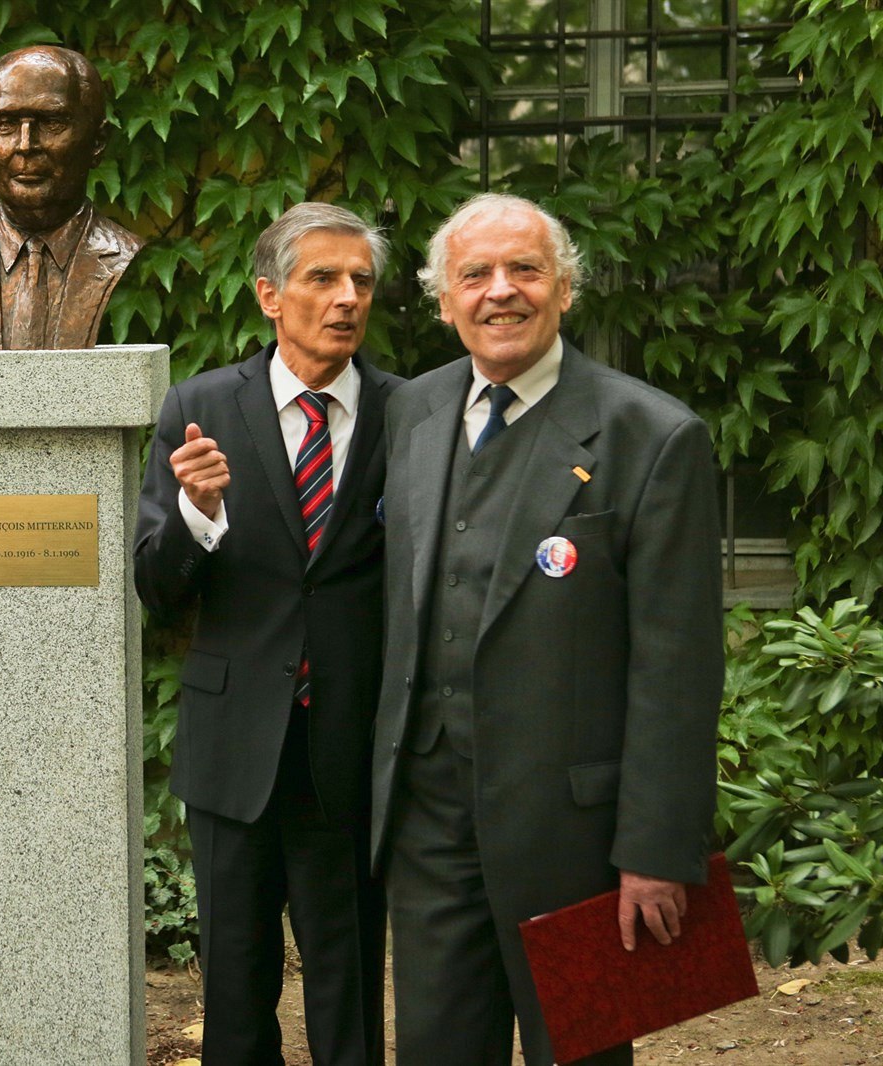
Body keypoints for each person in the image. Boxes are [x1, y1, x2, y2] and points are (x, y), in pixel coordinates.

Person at [369, 193, 723, 1065]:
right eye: (475, 275)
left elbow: (677, 670)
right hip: (431, 830)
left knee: (580, 1056)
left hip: (576, 843)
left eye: (525, 270)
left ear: (565, 289)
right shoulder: (412, 412)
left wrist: (655, 852)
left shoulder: (654, 435)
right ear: (443, 301)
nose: (501, 291)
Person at [134, 202, 399, 1065]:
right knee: (235, 999)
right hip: (234, 747)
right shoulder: (201, 405)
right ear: (269, 296)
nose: (348, 297)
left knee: (348, 996)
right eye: (323, 278)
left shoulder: (409, 413)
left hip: (350, 748)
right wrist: (196, 512)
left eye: (361, 280)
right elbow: (155, 588)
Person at [0, 44, 142, 349]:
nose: (26, 145)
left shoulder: (120, 253)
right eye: (6, 125)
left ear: (97, 142)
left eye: (52, 123)